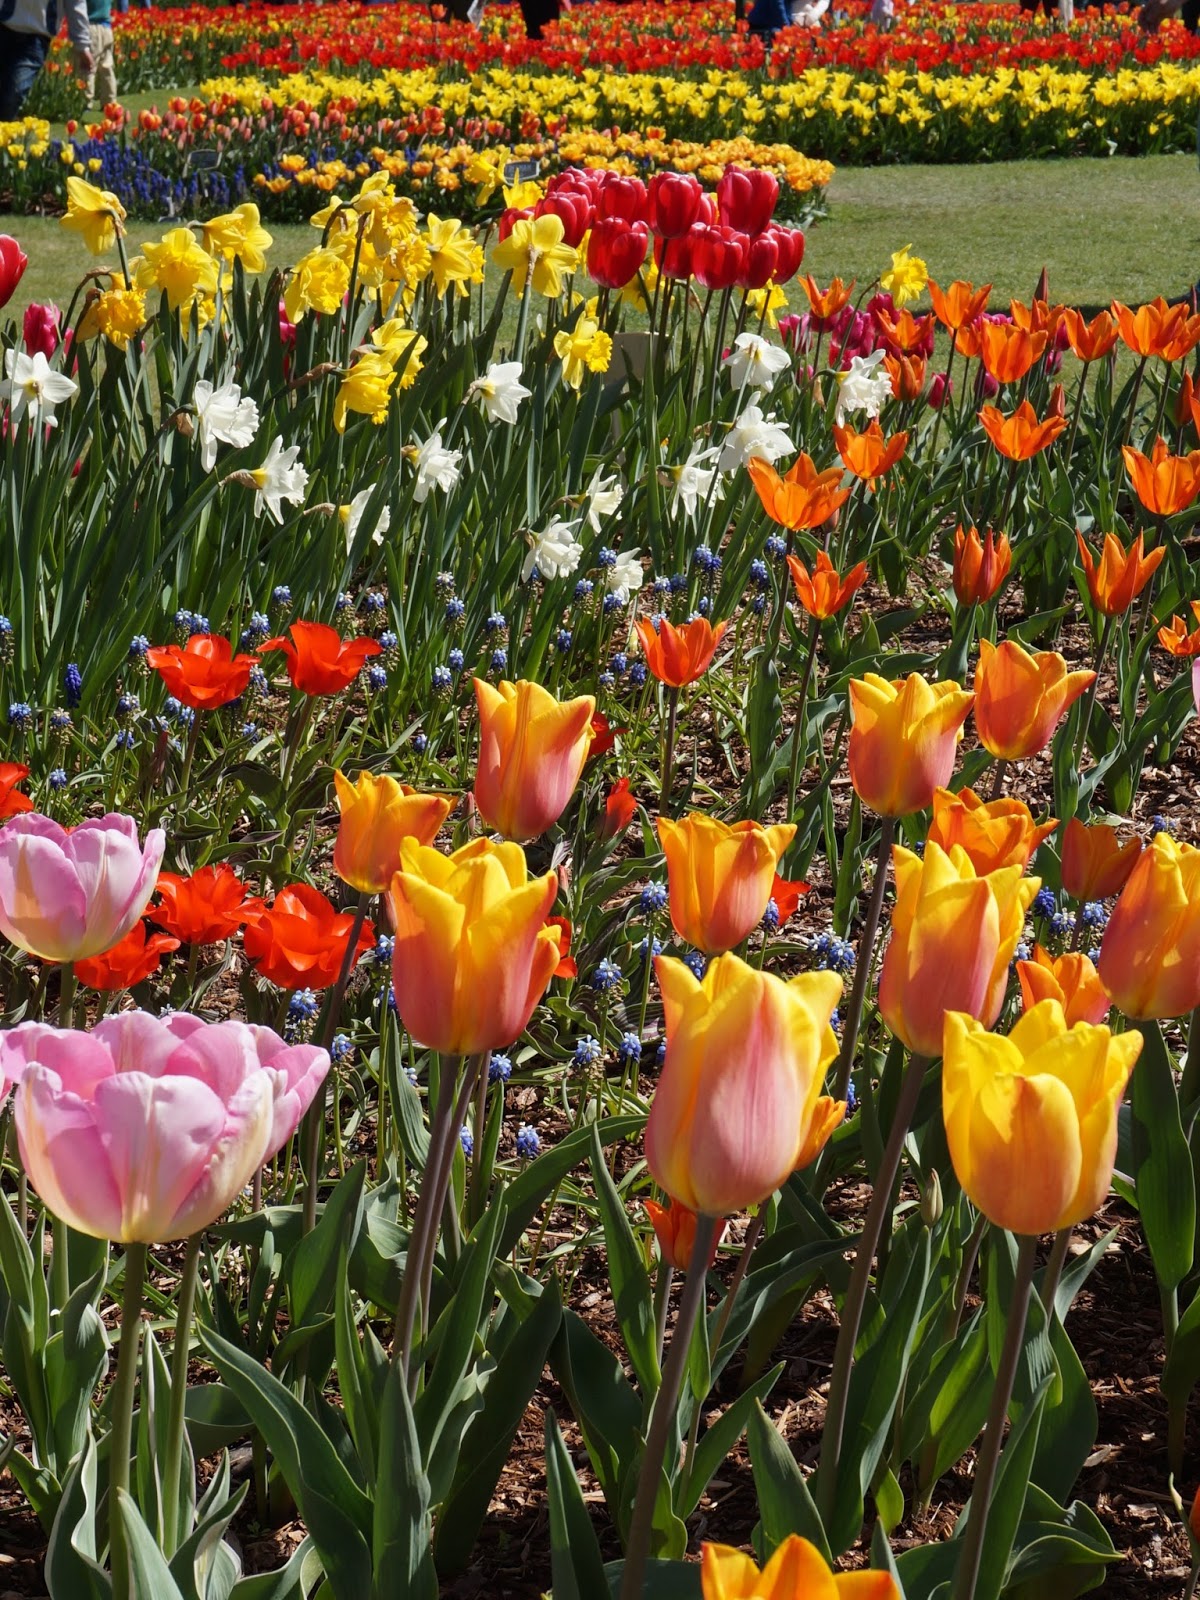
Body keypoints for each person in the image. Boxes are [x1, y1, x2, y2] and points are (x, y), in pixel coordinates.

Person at [0, 0, 92, 119]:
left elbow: (75, 3)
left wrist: (82, 45)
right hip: (5, 24)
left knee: (13, 94)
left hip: (37, 37)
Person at [84, 0, 115, 104]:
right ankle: (109, 100)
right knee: (107, 66)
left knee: (89, 66)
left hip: (92, 27)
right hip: (107, 28)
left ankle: (86, 101)